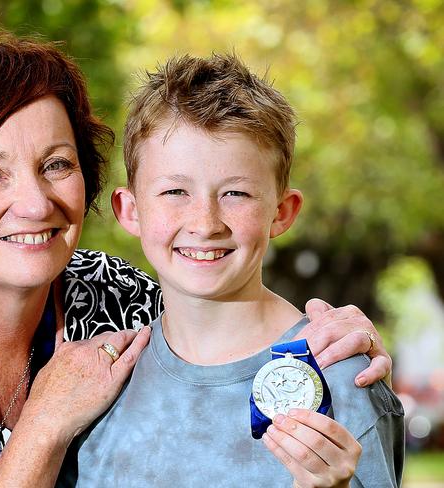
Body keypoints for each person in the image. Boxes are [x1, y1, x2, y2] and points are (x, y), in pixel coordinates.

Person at [0, 32, 393, 488]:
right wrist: (43, 424)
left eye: (56, 164)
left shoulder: (119, 300)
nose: (34, 203)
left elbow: (221, 310)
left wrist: (343, 343)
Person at [61, 53, 404, 487]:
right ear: (130, 211)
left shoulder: (341, 377)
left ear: (281, 211)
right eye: (174, 191)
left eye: (236, 194)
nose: (205, 224)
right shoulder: (100, 387)